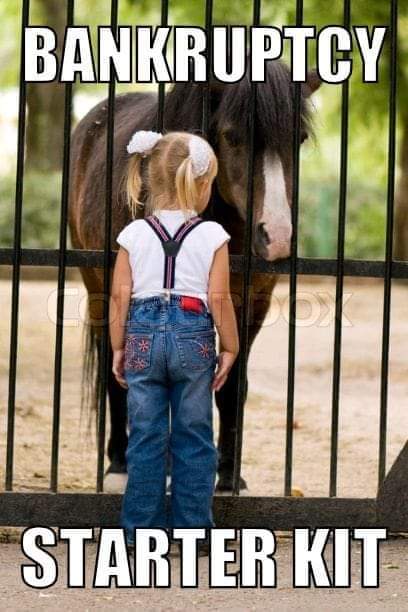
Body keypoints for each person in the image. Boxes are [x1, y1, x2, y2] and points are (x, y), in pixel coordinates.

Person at [109, 130, 239, 552]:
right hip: (193, 335)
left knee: (145, 436)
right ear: (201, 186)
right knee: (194, 435)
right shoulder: (213, 235)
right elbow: (218, 298)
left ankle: (140, 534)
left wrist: (117, 346)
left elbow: (118, 298)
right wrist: (231, 347)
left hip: (143, 336)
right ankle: (193, 531)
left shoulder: (133, 235)